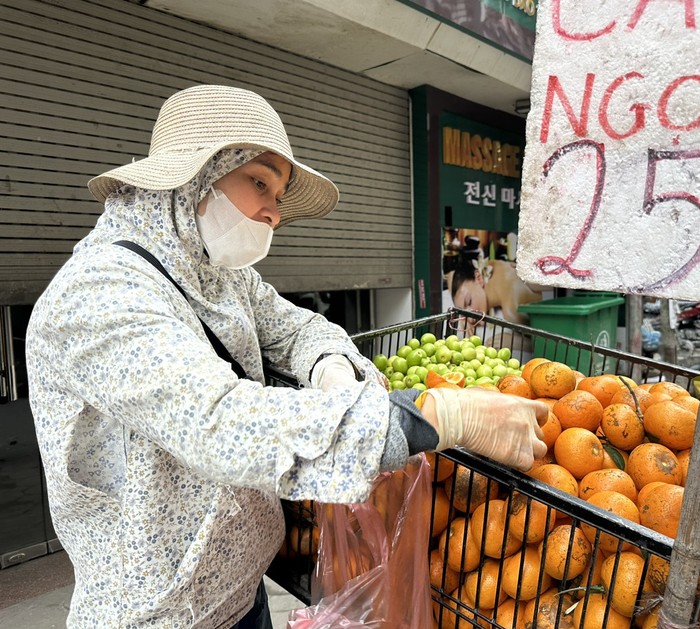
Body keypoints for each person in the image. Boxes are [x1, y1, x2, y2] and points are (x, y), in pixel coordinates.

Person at [24, 85, 547, 628]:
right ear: (195, 177)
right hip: (160, 617)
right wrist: (431, 417)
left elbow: (297, 327)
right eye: (260, 184)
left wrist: (330, 366)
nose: (274, 214)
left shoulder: (217, 273)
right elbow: (217, 423)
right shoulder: (100, 295)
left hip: (239, 593)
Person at [450, 256, 547, 335]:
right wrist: (464, 317)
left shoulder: (511, 313)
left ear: (478, 278)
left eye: (469, 302)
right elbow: (451, 276)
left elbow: (546, 337)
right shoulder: (492, 265)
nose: (471, 319)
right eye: (465, 313)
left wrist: (517, 342)